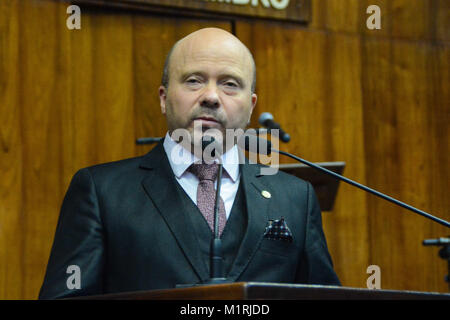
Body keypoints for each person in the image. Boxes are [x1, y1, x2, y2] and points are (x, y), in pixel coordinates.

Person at [39, 28, 340, 299]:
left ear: (251, 106)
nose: (210, 96)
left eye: (230, 84)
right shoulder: (101, 192)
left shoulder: (296, 197)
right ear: (163, 97)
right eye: (194, 80)